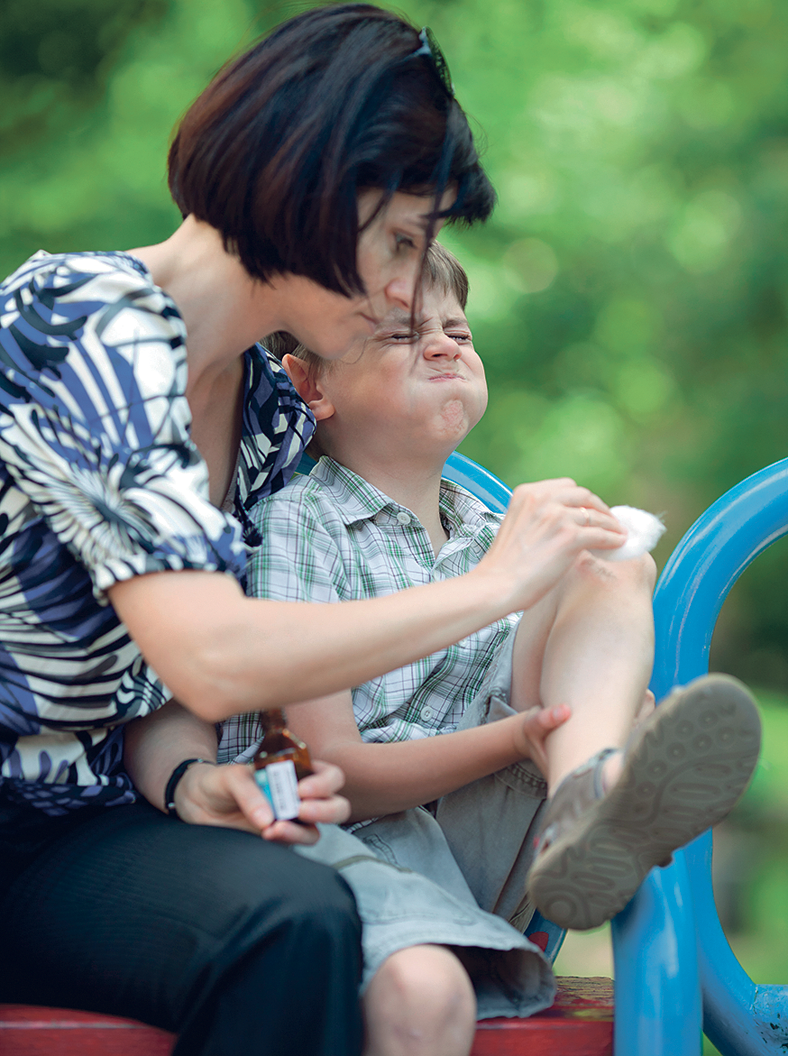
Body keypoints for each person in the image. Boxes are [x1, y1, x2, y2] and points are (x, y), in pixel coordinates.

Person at [0, 6, 587, 1055]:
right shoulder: (79, 322)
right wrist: (498, 583)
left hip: (75, 835)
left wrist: (191, 779)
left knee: (294, 920)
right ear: (319, 185)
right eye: (400, 241)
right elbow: (217, 654)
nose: (410, 292)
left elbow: (166, 696)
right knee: (290, 922)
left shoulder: (270, 409)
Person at [220, 242, 762, 1056]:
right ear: (311, 385)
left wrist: (565, 725)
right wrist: (519, 736)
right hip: (345, 844)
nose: (443, 344)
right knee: (418, 989)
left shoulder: (491, 533)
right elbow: (323, 770)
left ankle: (590, 791)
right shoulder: (304, 523)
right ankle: (591, 769)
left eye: (458, 333)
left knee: (607, 558)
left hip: (489, 838)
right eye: (401, 336)